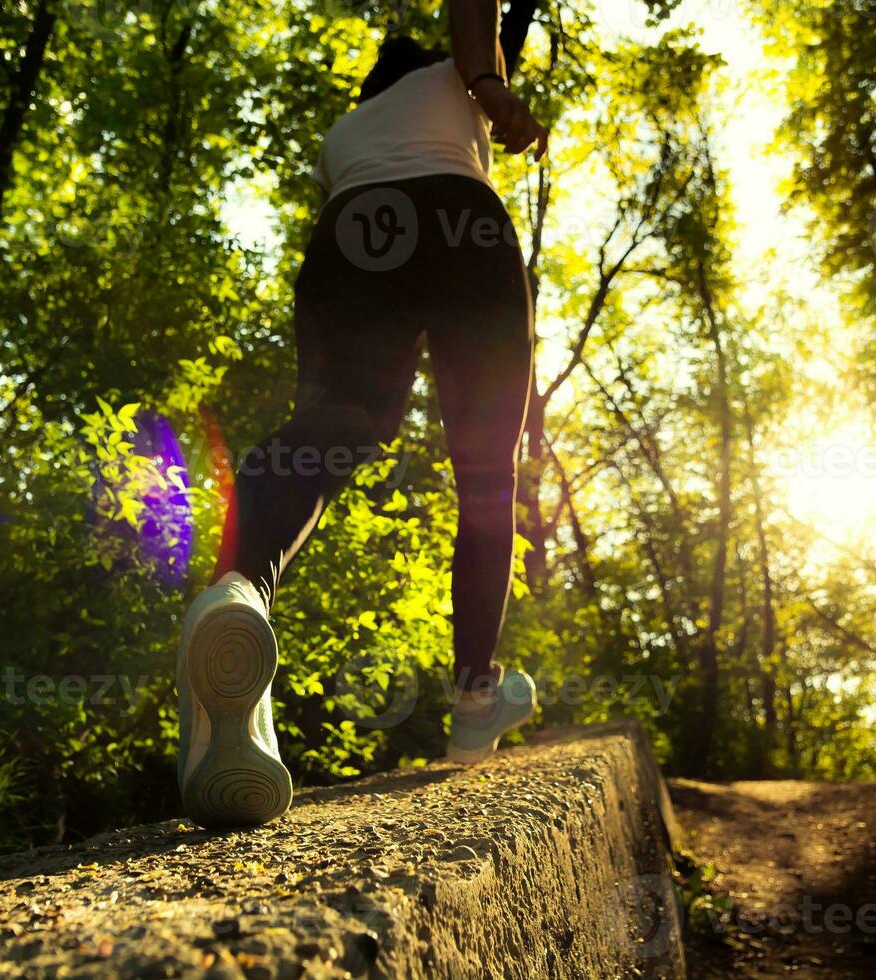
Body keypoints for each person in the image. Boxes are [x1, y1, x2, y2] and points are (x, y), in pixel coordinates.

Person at [175, 0, 550, 829]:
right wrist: (490, 79)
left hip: (347, 234)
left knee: (329, 430)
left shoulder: (343, 132)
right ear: (450, 57)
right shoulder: (458, 71)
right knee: (488, 474)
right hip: (459, 223)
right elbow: (480, 9)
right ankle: (475, 697)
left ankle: (238, 593)